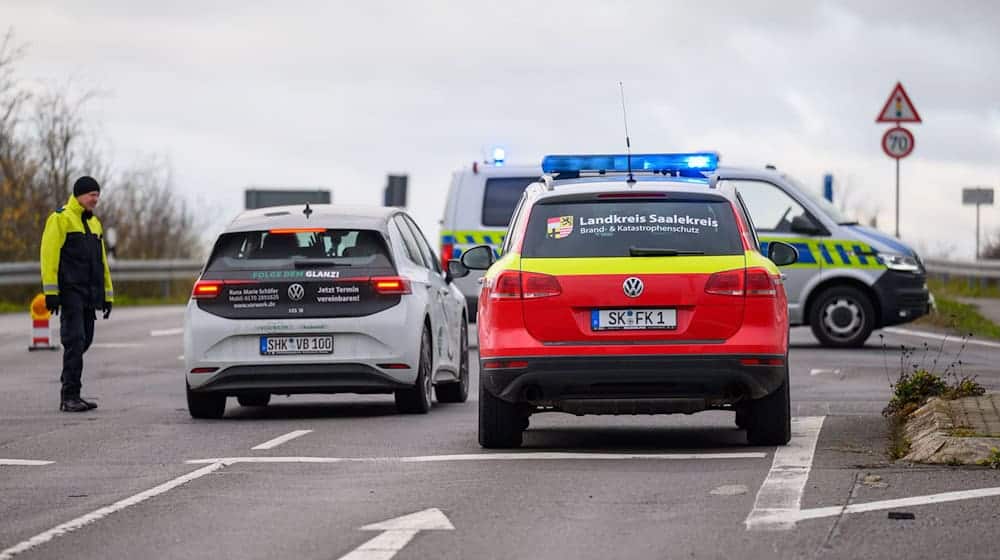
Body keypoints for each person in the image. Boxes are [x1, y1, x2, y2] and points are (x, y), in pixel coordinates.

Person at [40, 176, 114, 412]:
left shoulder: (95, 224)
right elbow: (48, 256)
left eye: (97, 195)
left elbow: (102, 262)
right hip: (70, 291)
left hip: (89, 294)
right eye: (92, 195)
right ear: (79, 195)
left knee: (86, 340)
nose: (95, 199)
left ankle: (71, 389)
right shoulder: (60, 219)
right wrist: (51, 291)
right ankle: (70, 395)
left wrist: (107, 295)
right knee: (75, 340)